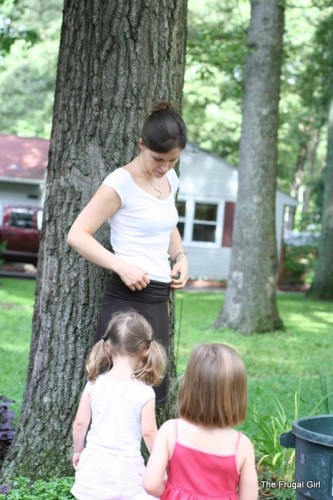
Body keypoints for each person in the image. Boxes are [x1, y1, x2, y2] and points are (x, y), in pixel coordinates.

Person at [67, 101, 189, 404]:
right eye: (158, 159)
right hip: (128, 300)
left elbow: (166, 224)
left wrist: (181, 256)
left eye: (172, 161)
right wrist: (120, 265)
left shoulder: (169, 179)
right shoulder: (119, 183)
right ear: (141, 145)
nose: (164, 167)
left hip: (158, 298)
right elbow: (77, 235)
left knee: (150, 393)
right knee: (116, 394)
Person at [71, 309, 167, 500]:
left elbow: (80, 423)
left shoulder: (94, 384)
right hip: (127, 468)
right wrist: (160, 466)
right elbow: (149, 433)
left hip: (93, 464)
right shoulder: (144, 392)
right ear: (145, 351)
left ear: (107, 347)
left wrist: (78, 451)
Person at [144, 343, 258, 500]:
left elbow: (151, 484)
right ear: (236, 395)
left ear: (189, 385)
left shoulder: (170, 430)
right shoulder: (242, 445)